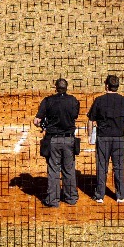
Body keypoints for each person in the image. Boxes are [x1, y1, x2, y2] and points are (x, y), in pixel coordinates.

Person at [35, 78, 82, 207]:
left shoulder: (48, 101)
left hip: (53, 140)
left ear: (55, 88)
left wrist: (44, 126)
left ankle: (53, 200)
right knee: (69, 169)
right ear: (66, 88)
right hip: (69, 139)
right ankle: (71, 198)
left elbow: (37, 121)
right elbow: (74, 116)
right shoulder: (73, 101)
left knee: (53, 170)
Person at [88, 75, 124, 201]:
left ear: (107, 86)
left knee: (102, 166)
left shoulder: (99, 100)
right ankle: (121, 195)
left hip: (103, 138)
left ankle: (99, 195)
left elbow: (91, 120)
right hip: (119, 138)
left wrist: (90, 136)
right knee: (118, 166)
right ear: (117, 86)